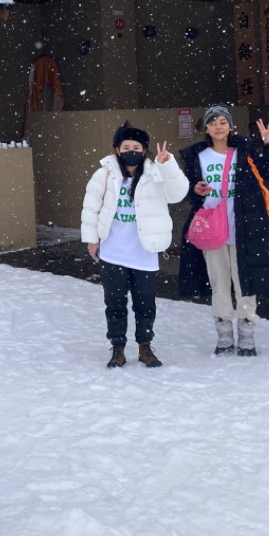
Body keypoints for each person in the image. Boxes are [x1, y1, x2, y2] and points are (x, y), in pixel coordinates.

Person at [179, 105, 269, 357]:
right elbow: (184, 190)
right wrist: (193, 191)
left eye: (222, 121)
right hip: (211, 230)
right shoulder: (197, 156)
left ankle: (247, 337)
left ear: (230, 126)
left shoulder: (245, 152)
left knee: (245, 283)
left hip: (245, 228)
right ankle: (224, 336)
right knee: (219, 283)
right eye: (213, 122)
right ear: (205, 128)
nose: (218, 126)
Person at [81, 125, 189, 369]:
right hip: (113, 252)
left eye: (136, 148)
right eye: (126, 147)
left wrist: (167, 164)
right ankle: (117, 348)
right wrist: (91, 239)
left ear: (145, 151)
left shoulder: (155, 173)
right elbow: (91, 207)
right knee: (115, 304)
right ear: (117, 149)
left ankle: (145, 347)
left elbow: (178, 193)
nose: (131, 151)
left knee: (145, 304)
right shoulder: (105, 174)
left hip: (144, 254)